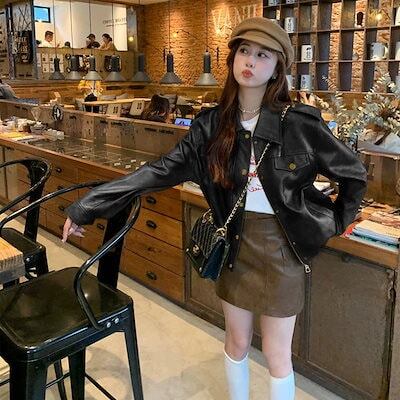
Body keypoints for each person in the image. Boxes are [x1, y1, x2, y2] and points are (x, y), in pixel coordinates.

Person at [62, 17, 367, 400]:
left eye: (263, 55)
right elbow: (160, 171)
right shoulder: (211, 126)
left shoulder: (299, 125)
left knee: (277, 355)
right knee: (236, 342)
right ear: (232, 58)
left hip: (282, 249)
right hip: (234, 245)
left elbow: (353, 174)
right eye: (244, 51)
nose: (250, 61)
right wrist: (88, 205)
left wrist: (335, 222)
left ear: (278, 67)